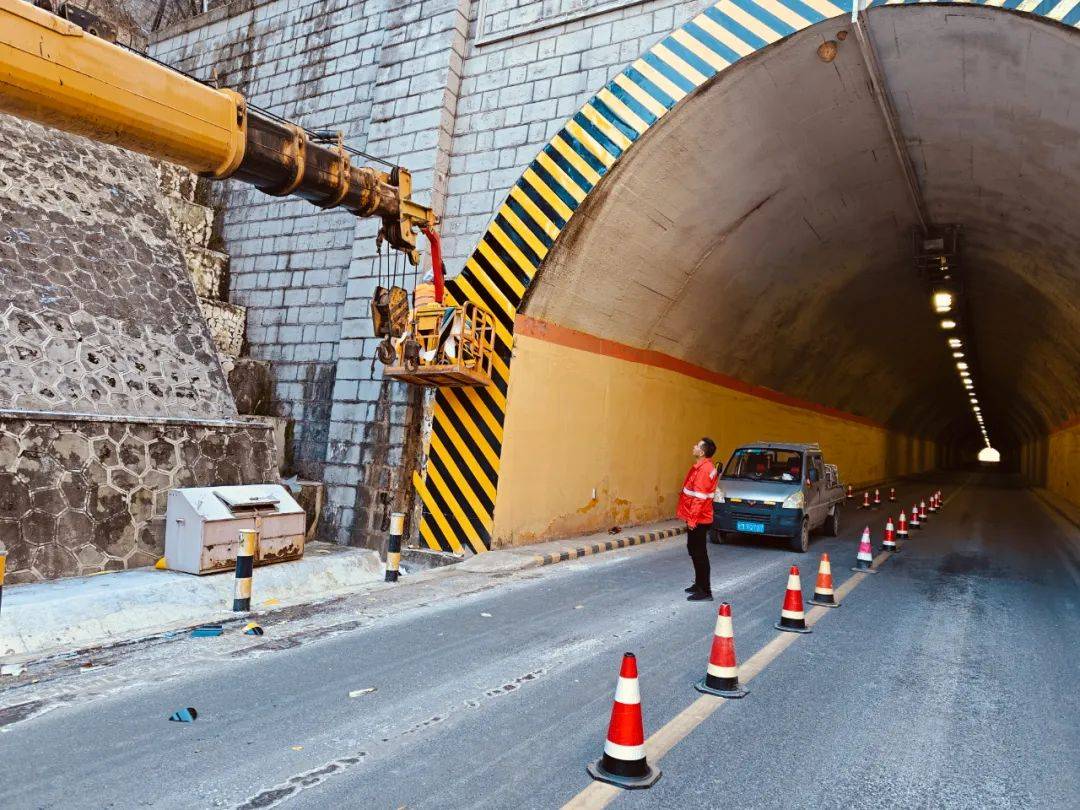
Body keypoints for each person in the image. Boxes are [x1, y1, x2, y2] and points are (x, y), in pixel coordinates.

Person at [677, 437, 718, 601]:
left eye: (697, 445)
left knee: (699, 553)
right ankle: (699, 584)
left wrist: (692, 520)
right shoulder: (703, 467)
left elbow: (699, 498)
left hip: (699, 519)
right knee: (694, 550)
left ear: (702, 452)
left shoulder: (703, 470)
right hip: (697, 517)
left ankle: (705, 590)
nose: (693, 446)